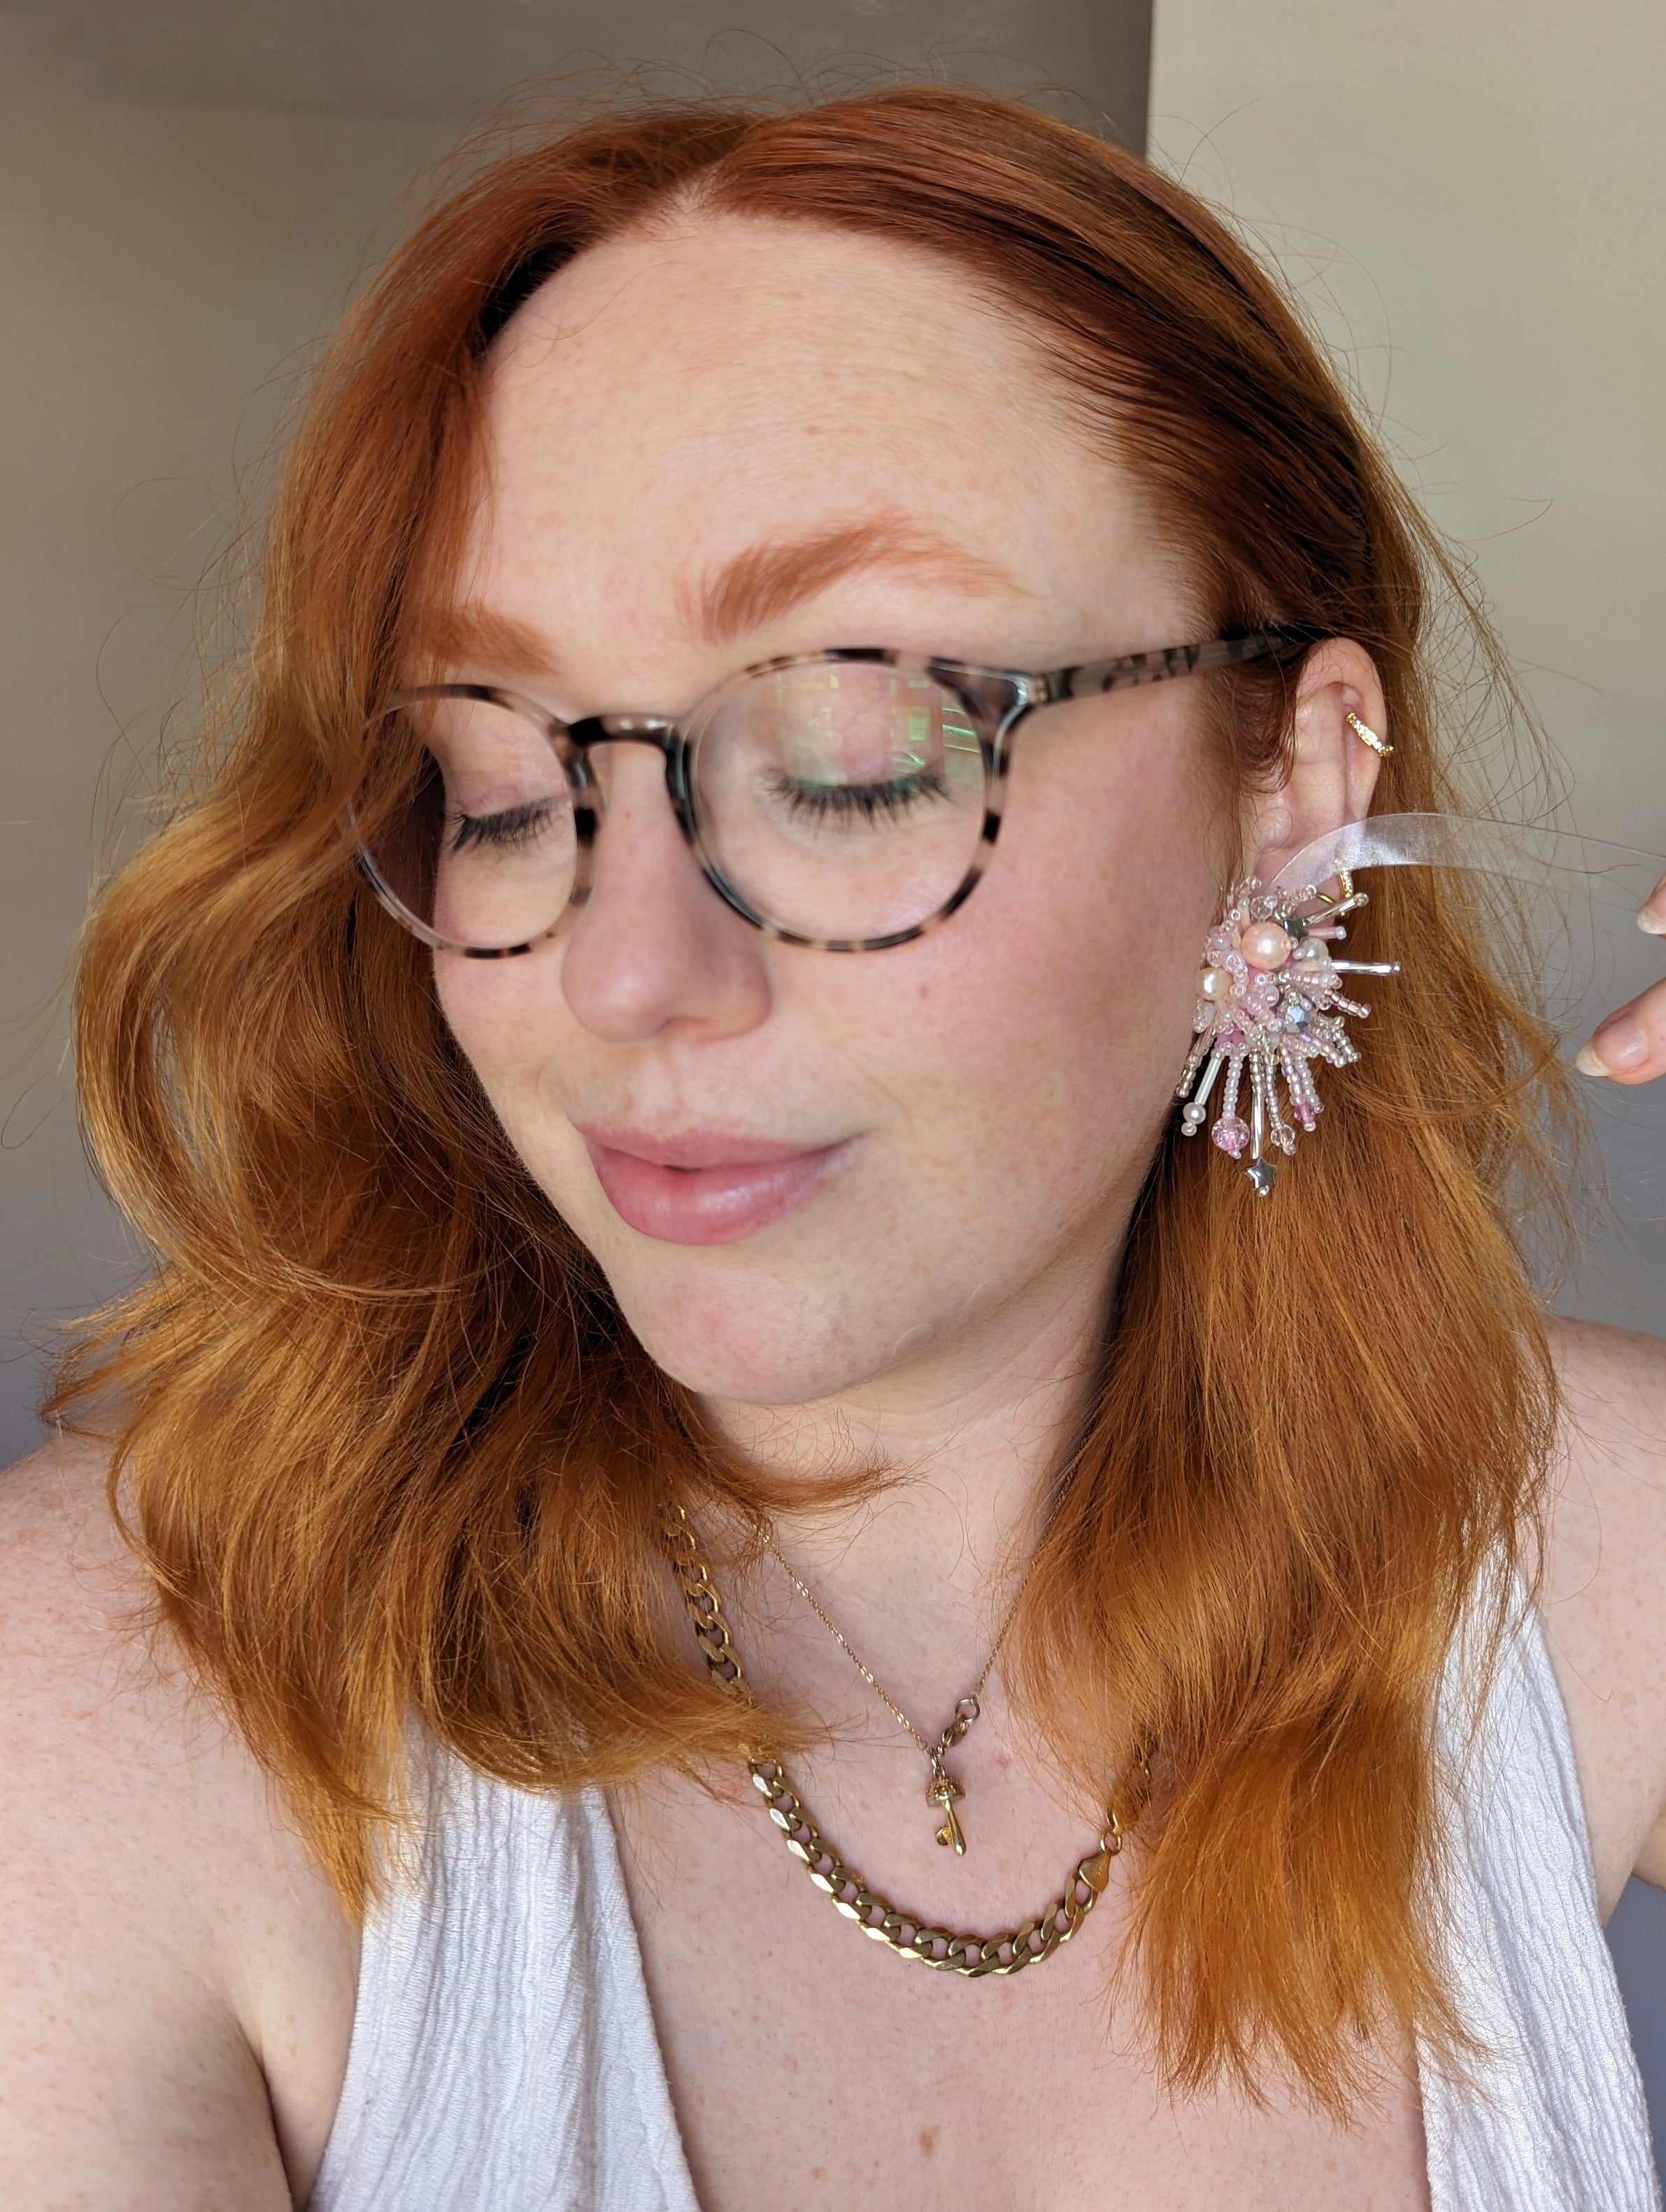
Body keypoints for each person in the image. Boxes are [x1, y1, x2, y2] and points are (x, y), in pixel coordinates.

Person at [1, 85, 1664, 2212]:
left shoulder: (1578, 1554)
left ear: (1294, 786)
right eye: (497, 786)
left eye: (853, 756)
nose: (625, 974)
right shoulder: (114, 1719)